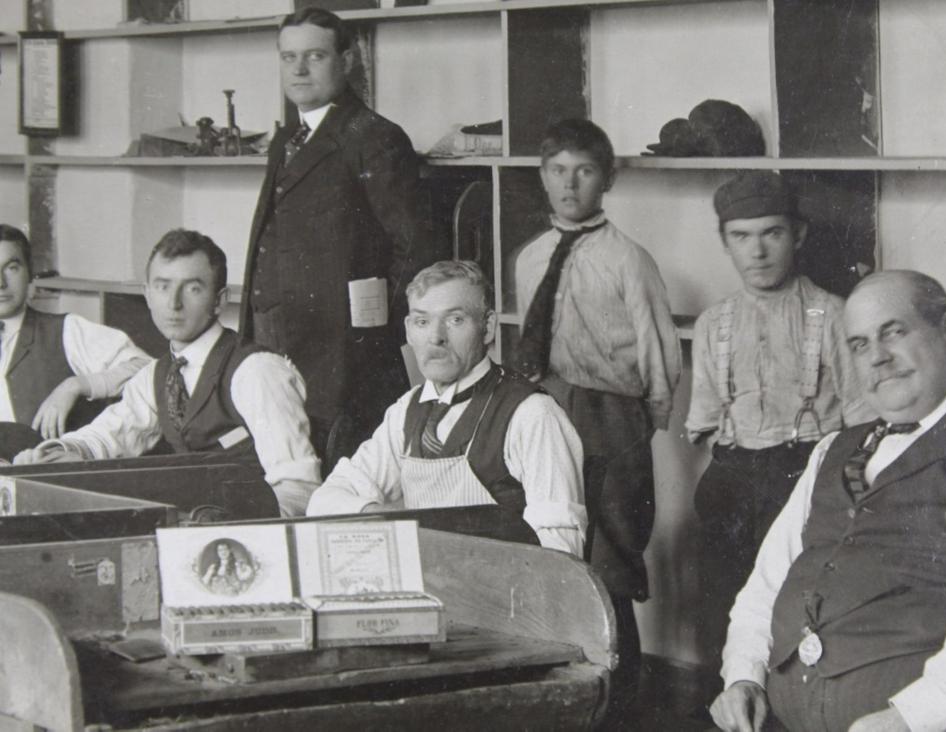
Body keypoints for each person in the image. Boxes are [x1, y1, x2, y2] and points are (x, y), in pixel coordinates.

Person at [710, 270, 946, 732]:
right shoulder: (832, 451)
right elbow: (765, 587)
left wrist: (908, 719)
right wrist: (743, 676)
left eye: (894, 332)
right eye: (860, 345)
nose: (878, 359)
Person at [513, 118, 681, 715]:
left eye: (584, 171)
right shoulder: (531, 258)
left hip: (613, 417)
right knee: (552, 549)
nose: (570, 184)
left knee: (610, 560)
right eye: (558, 170)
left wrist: (642, 426)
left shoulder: (628, 260)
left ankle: (622, 705)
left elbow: (658, 350)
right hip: (549, 406)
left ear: (605, 179)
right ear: (542, 177)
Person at [684, 171, 872, 684]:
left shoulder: (834, 316)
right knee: (722, 610)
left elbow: (862, 423)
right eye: (741, 237)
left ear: (799, 235)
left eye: (772, 233)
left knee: (799, 617)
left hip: (805, 476)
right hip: (733, 477)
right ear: (725, 242)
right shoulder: (713, 323)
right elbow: (703, 423)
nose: (758, 251)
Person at [241, 6, 440, 457]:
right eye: (288, 57)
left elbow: (415, 249)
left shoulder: (374, 136)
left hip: (346, 366)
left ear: (347, 60)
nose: (299, 68)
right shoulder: (286, 139)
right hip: (279, 351)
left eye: (314, 55)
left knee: (345, 491)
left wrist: (369, 338)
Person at [15, 230, 321, 517]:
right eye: (163, 286)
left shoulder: (256, 371)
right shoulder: (158, 374)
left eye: (192, 288)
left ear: (219, 300)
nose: (174, 304)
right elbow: (112, 434)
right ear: (148, 295)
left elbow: (298, 490)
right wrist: (57, 453)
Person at [307, 260, 587, 558]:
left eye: (454, 319)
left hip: (500, 595)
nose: (435, 337)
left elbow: (561, 557)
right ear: (408, 331)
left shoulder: (532, 414)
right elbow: (325, 501)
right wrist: (391, 521)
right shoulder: (407, 410)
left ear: (488, 327)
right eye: (422, 321)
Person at [0, 224, 149, 449]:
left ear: (29, 271)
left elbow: (148, 370)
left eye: (11, 267)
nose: (0, 283)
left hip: (40, 477)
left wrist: (77, 385)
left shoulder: (67, 331)